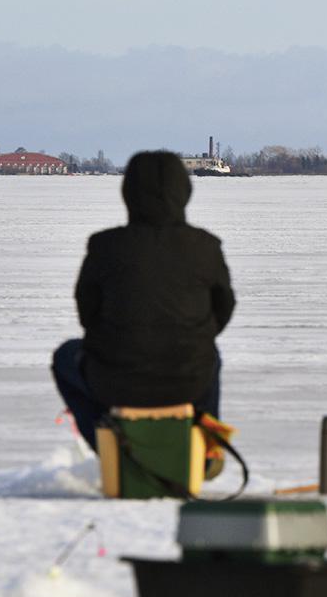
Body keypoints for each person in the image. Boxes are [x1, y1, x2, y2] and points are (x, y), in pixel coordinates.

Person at [52, 151, 236, 452]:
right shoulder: (205, 246)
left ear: (127, 192)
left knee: (65, 357)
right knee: (209, 355)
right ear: (184, 190)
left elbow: (87, 312)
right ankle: (203, 450)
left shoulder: (104, 246)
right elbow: (223, 308)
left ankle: (112, 446)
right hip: (187, 378)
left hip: (114, 377)